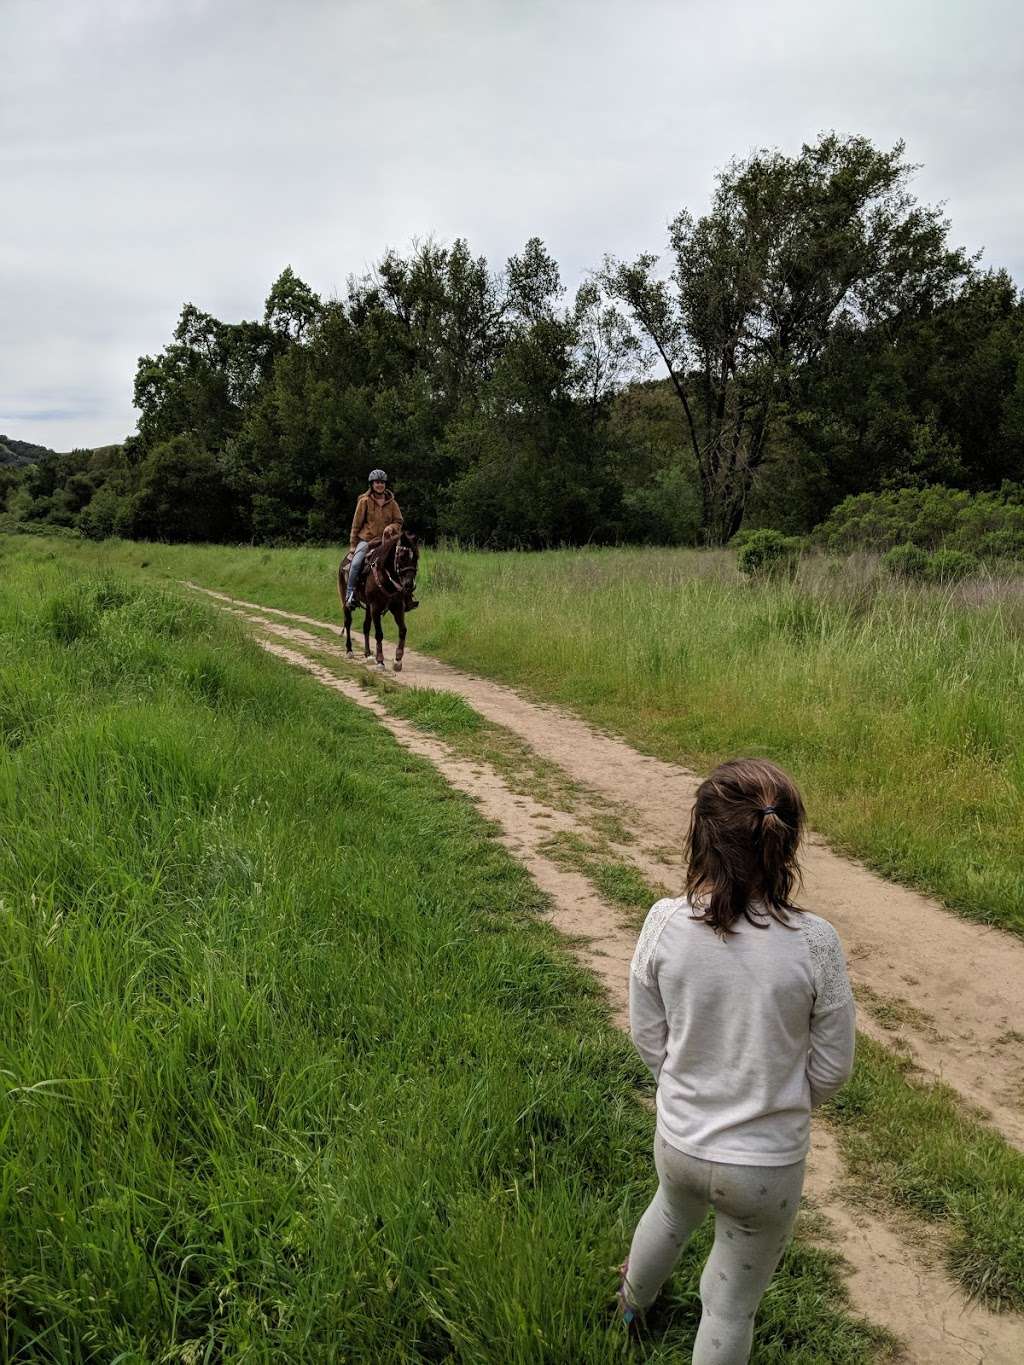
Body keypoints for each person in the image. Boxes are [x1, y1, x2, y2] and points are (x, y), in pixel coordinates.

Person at [619, 757, 855, 1363]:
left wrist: (684, 1087)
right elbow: (832, 1067)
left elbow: (650, 1036)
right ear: (788, 843)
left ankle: (628, 1308)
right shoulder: (816, 943)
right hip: (766, 1167)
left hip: (682, 1143)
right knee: (730, 1305)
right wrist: (778, 1103)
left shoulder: (662, 923)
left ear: (700, 837)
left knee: (669, 1214)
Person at [345, 469, 406, 608]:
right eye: (377, 482)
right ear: (372, 484)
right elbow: (356, 524)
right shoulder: (364, 501)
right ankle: (350, 595)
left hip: (387, 543)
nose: (380, 485)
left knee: (403, 562)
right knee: (355, 563)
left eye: (382, 482)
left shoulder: (392, 503)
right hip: (367, 540)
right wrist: (353, 545)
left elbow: (399, 521)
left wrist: (391, 527)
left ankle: (405, 597)